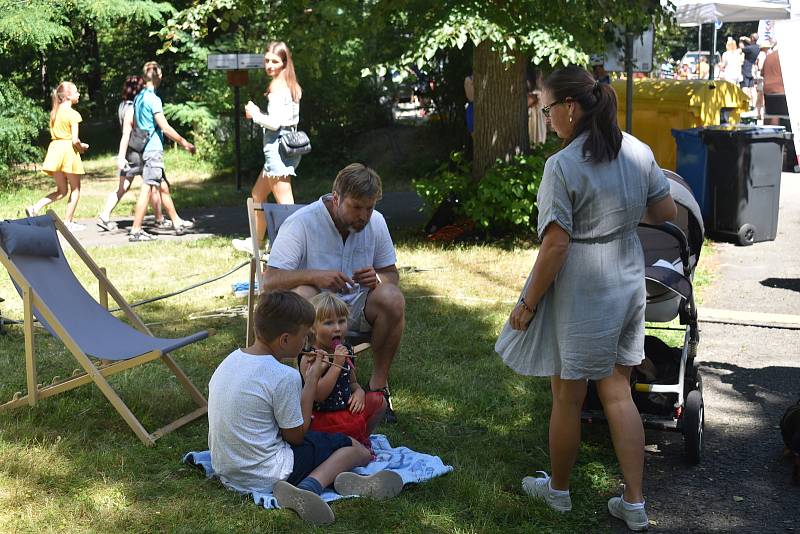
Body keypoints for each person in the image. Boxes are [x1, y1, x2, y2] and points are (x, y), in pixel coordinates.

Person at [494, 66, 677, 531]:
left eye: (547, 106)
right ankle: (634, 503)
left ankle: (558, 493)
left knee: (568, 395)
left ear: (570, 108)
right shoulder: (637, 150)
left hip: (583, 285)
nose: (546, 115)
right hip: (626, 275)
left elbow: (556, 245)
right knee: (619, 394)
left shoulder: (564, 164)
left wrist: (527, 304)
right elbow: (665, 211)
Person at [208, 290, 403, 525]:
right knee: (355, 449)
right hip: (266, 474)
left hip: (227, 471)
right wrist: (310, 381)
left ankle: (339, 477)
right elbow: (297, 437)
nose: (306, 341)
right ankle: (311, 486)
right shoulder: (284, 375)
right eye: (304, 335)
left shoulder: (229, 360)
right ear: (285, 340)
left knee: (329, 444)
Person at [263, 163, 404, 424]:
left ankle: (377, 388)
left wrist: (377, 278)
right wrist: (315, 275)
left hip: (358, 307)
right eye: (356, 207)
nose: (363, 215)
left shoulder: (376, 222)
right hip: (316, 315)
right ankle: (310, 382)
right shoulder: (301, 223)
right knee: (303, 293)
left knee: (392, 297)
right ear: (336, 197)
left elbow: (392, 276)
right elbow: (270, 281)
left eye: (369, 208)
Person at [232, 41, 302, 256]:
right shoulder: (290, 84)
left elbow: (275, 123)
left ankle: (292, 248)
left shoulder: (279, 87)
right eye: (267, 61)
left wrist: (255, 114)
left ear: (284, 63)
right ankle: (256, 243)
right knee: (257, 194)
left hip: (277, 149)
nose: (269, 65)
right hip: (285, 147)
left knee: (286, 206)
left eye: (275, 61)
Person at [297, 293, 387, 449]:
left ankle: (361, 441)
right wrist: (336, 364)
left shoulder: (346, 350)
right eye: (329, 323)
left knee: (380, 402)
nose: (337, 328)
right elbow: (318, 395)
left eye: (341, 321)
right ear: (312, 327)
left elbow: (352, 382)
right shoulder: (310, 356)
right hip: (322, 419)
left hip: (346, 411)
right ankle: (349, 447)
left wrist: (359, 393)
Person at [127, 61, 196, 242]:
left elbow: (135, 122)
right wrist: (185, 143)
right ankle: (135, 230)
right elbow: (164, 127)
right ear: (159, 76)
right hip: (153, 149)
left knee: (163, 185)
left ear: (143, 78)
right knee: (148, 187)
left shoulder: (139, 97)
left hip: (142, 148)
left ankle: (176, 221)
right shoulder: (153, 99)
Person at [96, 75, 164, 232]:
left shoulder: (122, 105)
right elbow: (129, 132)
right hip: (137, 150)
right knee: (152, 184)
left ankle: (104, 215)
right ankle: (160, 218)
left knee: (123, 186)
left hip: (128, 151)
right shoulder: (133, 107)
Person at [27, 81, 89, 232]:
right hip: (68, 150)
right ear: (68, 96)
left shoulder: (55, 112)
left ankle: (35, 207)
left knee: (61, 190)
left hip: (55, 150)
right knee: (75, 189)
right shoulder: (73, 114)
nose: (78, 94)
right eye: (76, 92)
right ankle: (68, 222)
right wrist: (82, 148)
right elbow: (75, 140)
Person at [527, 68, 547, 146]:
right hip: (535, 120)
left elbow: (546, 108)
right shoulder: (538, 94)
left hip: (537, 121)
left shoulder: (538, 94)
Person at [740, 34, 760, 106]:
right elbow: (752, 42)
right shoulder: (758, 47)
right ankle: (754, 104)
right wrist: (746, 38)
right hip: (753, 69)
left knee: (745, 87)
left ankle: (745, 104)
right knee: (752, 88)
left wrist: (741, 41)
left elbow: (741, 49)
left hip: (746, 69)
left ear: (751, 38)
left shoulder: (749, 48)